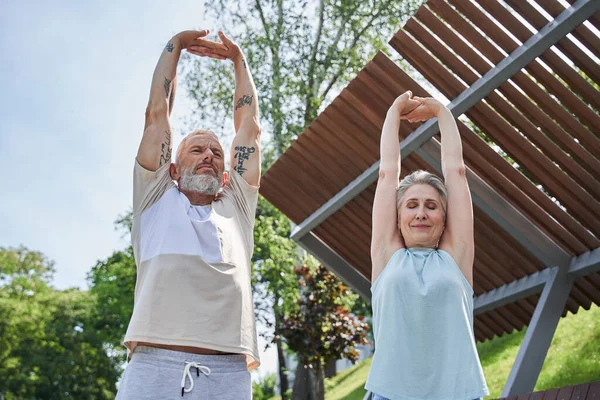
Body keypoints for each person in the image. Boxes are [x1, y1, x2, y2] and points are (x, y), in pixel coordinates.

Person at [116, 29, 261, 400]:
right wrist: (175, 46)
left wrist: (238, 60)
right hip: (153, 366)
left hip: (227, 372)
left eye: (215, 151)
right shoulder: (155, 196)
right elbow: (156, 115)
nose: (209, 154)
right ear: (174, 170)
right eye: (197, 150)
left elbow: (250, 130)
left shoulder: (237, 207)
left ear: (227, 175)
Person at [365, 91, 489, 400]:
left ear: (445, 219)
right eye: (412, 205)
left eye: (431, 206)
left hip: (459, 393)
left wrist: (441, 113)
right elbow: (386, 173)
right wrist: (393, 112)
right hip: (390, 394)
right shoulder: (386, 255)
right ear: (398, 215)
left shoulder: (456, 257)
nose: (421, 212)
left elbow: (457, 173)